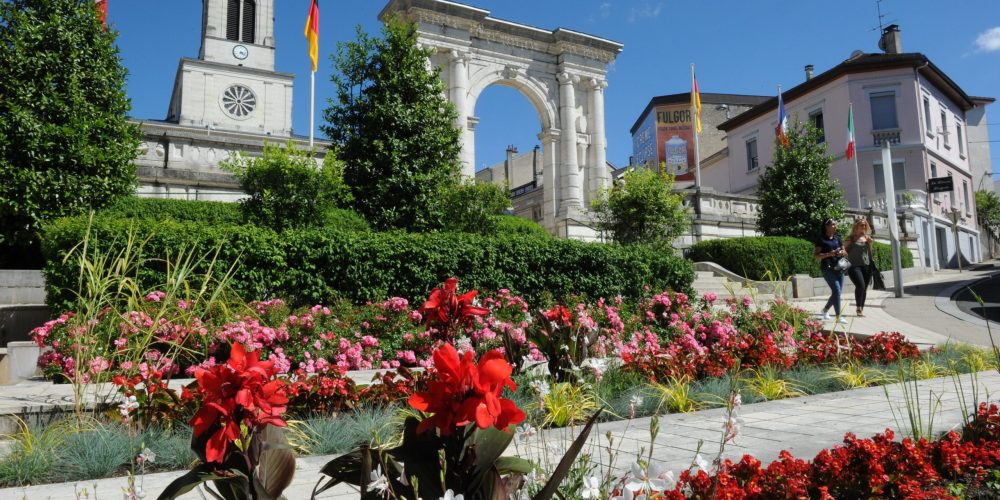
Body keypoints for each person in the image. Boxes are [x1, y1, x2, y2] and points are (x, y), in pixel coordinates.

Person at [814, 218, 847, 324]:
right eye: (832, 224)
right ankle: (838, 316)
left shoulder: (838, 238)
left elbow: (844, 251)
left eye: (835, 224)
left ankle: (825, 310)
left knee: (837, 292)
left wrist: (842, 252)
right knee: (837, 291)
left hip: (839, 266)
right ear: (826, 226)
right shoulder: (821, 239)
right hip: (827, 268)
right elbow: (817, 256)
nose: (835, 226)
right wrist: (830, 254)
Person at [845, 218, 873, 317]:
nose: (863, 227)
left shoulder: (867, 238)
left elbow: (869, 253)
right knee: (860, 286)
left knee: (864, 288)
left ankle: (861, 308)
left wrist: (870, 244)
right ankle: (858, 307)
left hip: (866, 266)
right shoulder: (851, 238)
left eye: (865, 225)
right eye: (861, 225)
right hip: (854, 267)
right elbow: (843, 251)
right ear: (856, 226)